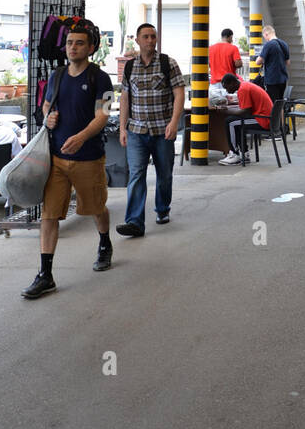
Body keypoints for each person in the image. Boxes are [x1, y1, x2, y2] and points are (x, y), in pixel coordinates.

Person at [22, 18, 114, 300]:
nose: (72, 48)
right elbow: (45, 105)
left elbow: (104, 114)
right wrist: (48, 117)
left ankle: (104, 242)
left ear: (91, 48)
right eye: (70, 43)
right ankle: (45, 274)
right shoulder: (57, 75)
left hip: (88, 157)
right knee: (49, 215)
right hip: (57, 160)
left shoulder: (101, 78)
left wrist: (82, 136)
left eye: (79, 43)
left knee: (96, 206)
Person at [117, 23, 185, 236]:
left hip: (162, 131)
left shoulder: (168, 63)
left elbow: (179, 94)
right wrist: (122, 128)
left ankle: (162, 208)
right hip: (137, 131)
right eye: (145, 37)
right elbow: (125, 99)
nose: (150, 40)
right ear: (137, 40)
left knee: (164, 174)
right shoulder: (129, 67)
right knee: (136, 174)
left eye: (153, 36)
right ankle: (135, 222)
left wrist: (174, 122)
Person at [218, 72, 273, 164]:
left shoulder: (243, 89)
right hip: (267, 118)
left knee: (230, 122)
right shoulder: (245, 85)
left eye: (227, 87)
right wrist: (229, 109)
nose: (227, 91)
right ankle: (244, 154)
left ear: (233, 83)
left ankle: (234, 154)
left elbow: (245, 112)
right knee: (236, 122)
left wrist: (226, 111)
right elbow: (244, 109)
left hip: (263, 120)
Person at [257, 24, 290, 102]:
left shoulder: (269, 44)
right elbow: (288, 62)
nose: (265, 39)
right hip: (283, 79)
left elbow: (258, 62)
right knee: (279, 103)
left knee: (272, 103)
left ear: (266, 34)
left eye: (264, 37)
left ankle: (274, 115)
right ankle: (280, 114)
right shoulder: (284, 44)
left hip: (272, 80)